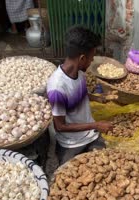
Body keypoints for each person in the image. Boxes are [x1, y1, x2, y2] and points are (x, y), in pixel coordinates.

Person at [46, 26, 113, 165]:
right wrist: (97, 124)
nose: (92, 62)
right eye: (91, 58)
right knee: (69, 178)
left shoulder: (79, 73)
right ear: (82, 58)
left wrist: (96, 97)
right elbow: (60, 126)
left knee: (106, 166)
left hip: (91, 135)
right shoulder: (57, 87)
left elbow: (76, 94)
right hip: (71, 144)